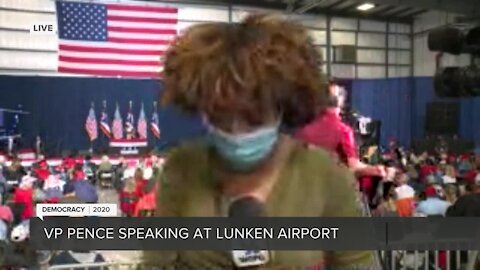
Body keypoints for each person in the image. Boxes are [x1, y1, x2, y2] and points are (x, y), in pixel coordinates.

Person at [142, 14, 376, 269]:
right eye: (221, 116)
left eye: (253, 117)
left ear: (281, 105)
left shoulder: (327, 176)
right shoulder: (181, 169)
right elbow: (156, 262)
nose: (236, 131)